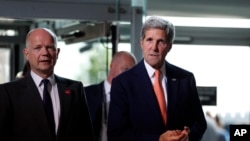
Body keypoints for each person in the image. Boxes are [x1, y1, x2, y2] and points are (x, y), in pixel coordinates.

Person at [107, 16, 207, 141]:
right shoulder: (123, 83)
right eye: (149, 40)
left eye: (161, 41)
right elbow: (116, 134)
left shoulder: (185, 79)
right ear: (141, 43)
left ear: (169, 46)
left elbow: (200, 123)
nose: (154, 47)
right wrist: (158, 140)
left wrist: (186, 137)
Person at [0, 28, 95, 141]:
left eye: (49, 47)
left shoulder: (75, 89)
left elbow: (86, 135)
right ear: (26, 53)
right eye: (37, 48)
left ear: (57, 52)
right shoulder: (8, 93)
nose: (45, 53)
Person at [85, 51, 137, 141]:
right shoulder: (86, 94)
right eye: (125, 70)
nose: (129, 76)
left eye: (132, 72)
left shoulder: (134, 100)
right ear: (111, 66)